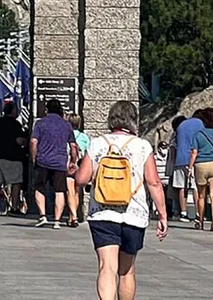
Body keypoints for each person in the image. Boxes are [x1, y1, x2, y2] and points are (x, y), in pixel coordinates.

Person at [75, 101, 168, 300]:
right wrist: (162, 215)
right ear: (134, 120)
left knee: (107, 267)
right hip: (133, 215)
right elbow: (154, 183)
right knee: (126, 271)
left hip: (103, 213)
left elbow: (81, 179)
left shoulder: (97, 143)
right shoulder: (142, 146)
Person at [30, 99, 79, 229]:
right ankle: (57, 221)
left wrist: (34, 157)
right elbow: (73, 146)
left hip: (42, 160)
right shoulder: (66, 125)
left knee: (40, 188)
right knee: (60, 190)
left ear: (47, 110)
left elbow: (34, 142)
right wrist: (73, 161)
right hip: (60, 162)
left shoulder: (40, 123)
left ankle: (43, 216)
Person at [0, 101, 26, 215]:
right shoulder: (15, 124)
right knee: (16, 182)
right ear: (12, 111)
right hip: (12, 157)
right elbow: (19, 141)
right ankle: (14, 206)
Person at [187, 107, 213, 231]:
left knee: (201, 195)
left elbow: (194, 152)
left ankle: (201, 221)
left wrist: (190, 167)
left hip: (201, 165)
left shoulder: (198, 135)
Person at [171, 110, 205, 222]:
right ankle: (197, 213)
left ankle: (183, 212)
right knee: (195, 186)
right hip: (193, 159)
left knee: (182, 187)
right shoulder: (200, 124)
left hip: (180, 159)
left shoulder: (181, 126)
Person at [65, 113, 90, 228]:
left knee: (69, 191)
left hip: (69, 164)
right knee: (76, 192)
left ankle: (73, 216)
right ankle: (73, 215)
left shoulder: (66, 135)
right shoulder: (84, 137)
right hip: (80, 166)